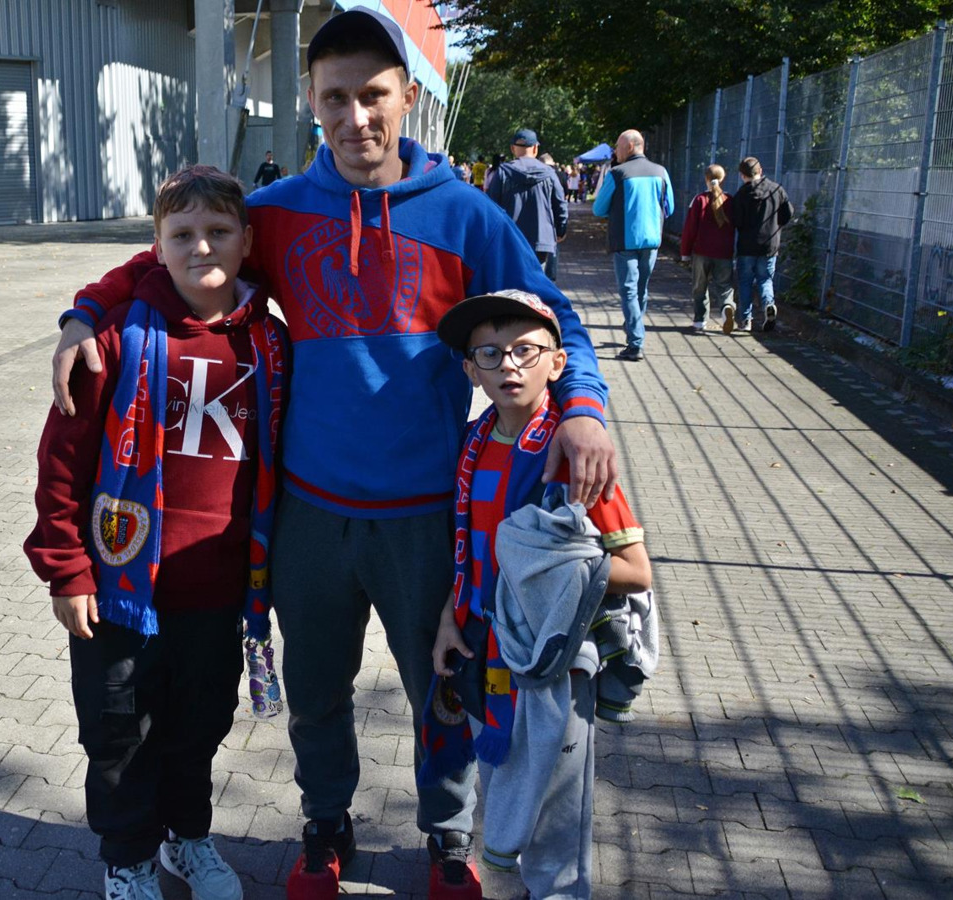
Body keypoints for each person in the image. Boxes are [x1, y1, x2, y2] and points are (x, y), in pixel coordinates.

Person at [48, 10, 618, 899]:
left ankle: (448, 833)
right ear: (312, 102)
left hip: (425, 512)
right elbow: (172, 259)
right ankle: (325, 824)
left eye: (374, 95)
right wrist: (85, 312)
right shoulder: (277, 213)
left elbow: (557, 317)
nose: (357, 117)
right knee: (316, 690)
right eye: (336, 98)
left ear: (409, 97)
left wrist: (582, 410)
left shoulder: (467, 216)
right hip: (308, 513)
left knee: (444, 687)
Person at [24, 164, 286, 900]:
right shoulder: (112, 338)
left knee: (199, 725)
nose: (201, 247)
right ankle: (129, 858)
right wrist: (66, 568)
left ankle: (187, 838)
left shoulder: (270, 342)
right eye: (183, 234)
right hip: (121, 590)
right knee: (118, 732)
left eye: (219, 231)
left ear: (247, 242)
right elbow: (62, 461)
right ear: (156, 244)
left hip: (217, 588)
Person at [425, 289, 653, 900]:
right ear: (470, 370)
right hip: (482, 652)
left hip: (553, 665)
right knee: (500, 781)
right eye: (490, 353)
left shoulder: (574, 457)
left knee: (557, 804)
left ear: (557, 362)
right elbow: (469, 554)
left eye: (526, 350)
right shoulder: (471, 445)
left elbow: (636, 571)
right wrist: (450, 619)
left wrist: (552, 573)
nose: (509, 365)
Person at [592, 130, 673, 361]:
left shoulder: (617, 174)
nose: (615, 152)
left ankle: (636, 342)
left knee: (628, 290)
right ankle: (632, 327)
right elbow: (670, 207)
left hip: (624, 240)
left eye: (617, 147)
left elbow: (598, 208)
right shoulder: (661, 172)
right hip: (652, 240)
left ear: (629, 147)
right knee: (641, 289)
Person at [486, 128, 568, 282]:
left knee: (512, 285)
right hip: (541, 239)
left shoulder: (503, 172)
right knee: (536, 284)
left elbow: (490, 207)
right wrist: (561, 229)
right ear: (535, 148)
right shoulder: (549, 173)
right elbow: (560, 204)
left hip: (510, 239)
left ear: (512, 148)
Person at [727, 156, 793, 332]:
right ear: (760, 171)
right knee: (765, 279)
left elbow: (736, 220)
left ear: (742, 175)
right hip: (770, 244)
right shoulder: (776, 189)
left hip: (747, 245)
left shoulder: (741, 194)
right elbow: (787, 213)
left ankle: (745, 320)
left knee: (745, 282)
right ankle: (768, 305)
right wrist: (776, 225)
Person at [679, 164, 736, 334]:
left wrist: (685, 252)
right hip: (724, 252)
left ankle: (700, 320)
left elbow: (690, 228)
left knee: (700, 286)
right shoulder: (730, 200)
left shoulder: (699, 200)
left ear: (706, 179)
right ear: (723, 179)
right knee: (724, 285)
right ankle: (727, 308)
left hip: (701, 251)